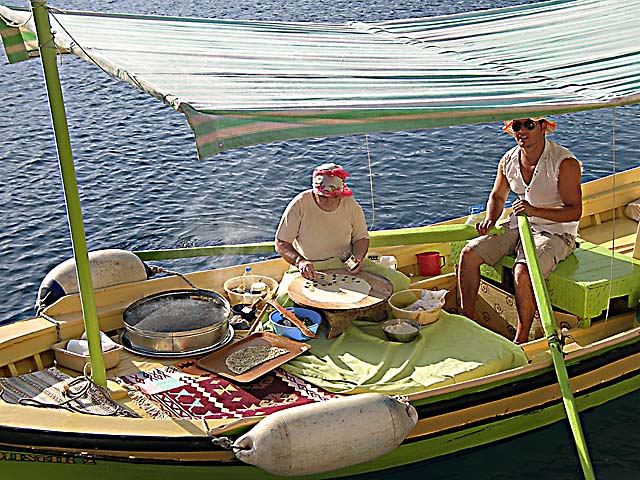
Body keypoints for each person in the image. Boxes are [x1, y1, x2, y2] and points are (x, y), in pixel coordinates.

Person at [458, 117, 582, 344]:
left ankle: (522, 337)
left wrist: (534, 211)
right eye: (516, 126)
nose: (522, 131)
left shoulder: (564, 163)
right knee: (468, 254)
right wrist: (490, 220)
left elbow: (574, 212)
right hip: (520, 223)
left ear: (544, 127)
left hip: (557, 233)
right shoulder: (508, 160)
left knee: (522, 272)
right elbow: (497, 196)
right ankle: (468, 319)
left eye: (529, 125)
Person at [275, 163, 370, 280]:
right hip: (309, 267)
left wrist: (358, 258)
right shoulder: (299, 204)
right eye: (323, 197)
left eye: (334, 197)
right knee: (285, 297)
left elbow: (361, 238)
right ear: (315, 192)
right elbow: (281, 243)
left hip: (344, 264)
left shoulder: (351, 205)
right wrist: (300, 262)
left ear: (341, 193)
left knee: (397, 281)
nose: (329, 202)